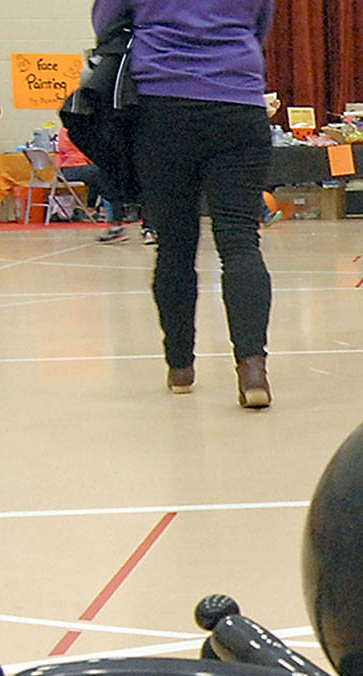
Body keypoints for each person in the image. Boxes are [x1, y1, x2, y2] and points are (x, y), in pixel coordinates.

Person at [92, 0, 275, 407]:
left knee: (174, 245)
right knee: (241, 241)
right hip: (238, 103)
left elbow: (105, 23)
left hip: (162, 108)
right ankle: (252, 370)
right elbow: (260, 26)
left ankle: (180, 367)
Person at [56, 125, 127, 242]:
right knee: (103, 175)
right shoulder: (71, 130)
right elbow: (87, 150)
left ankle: (97, 210)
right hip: (71, 168)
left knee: (101, 176)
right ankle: (113, 220)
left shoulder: (73, 129)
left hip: (78, 168)